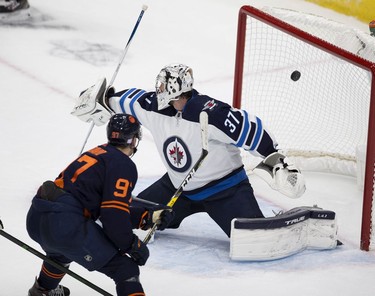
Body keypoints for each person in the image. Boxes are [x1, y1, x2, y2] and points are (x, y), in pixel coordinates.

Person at [73, 63, 305, 239]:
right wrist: (101, 99)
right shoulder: (153, 106)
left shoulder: (210, 113)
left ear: (180, 91)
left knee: (254, 238)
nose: (160, 94)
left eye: (166, 90)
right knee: (123, 215)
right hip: (177, 188)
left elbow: (251, 130)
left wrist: (276, 160)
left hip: (226, 190)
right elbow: (124, 99)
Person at [26, 114, 173, 296]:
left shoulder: (97, 152)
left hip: (37, 217)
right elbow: (112, 215)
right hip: (64, 224)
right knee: (125, 270)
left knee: (61, 252)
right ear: (134, 140)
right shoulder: (123, 165)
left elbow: (107, 208)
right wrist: (131, 245)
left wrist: (146, 217)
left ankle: (43, 290)